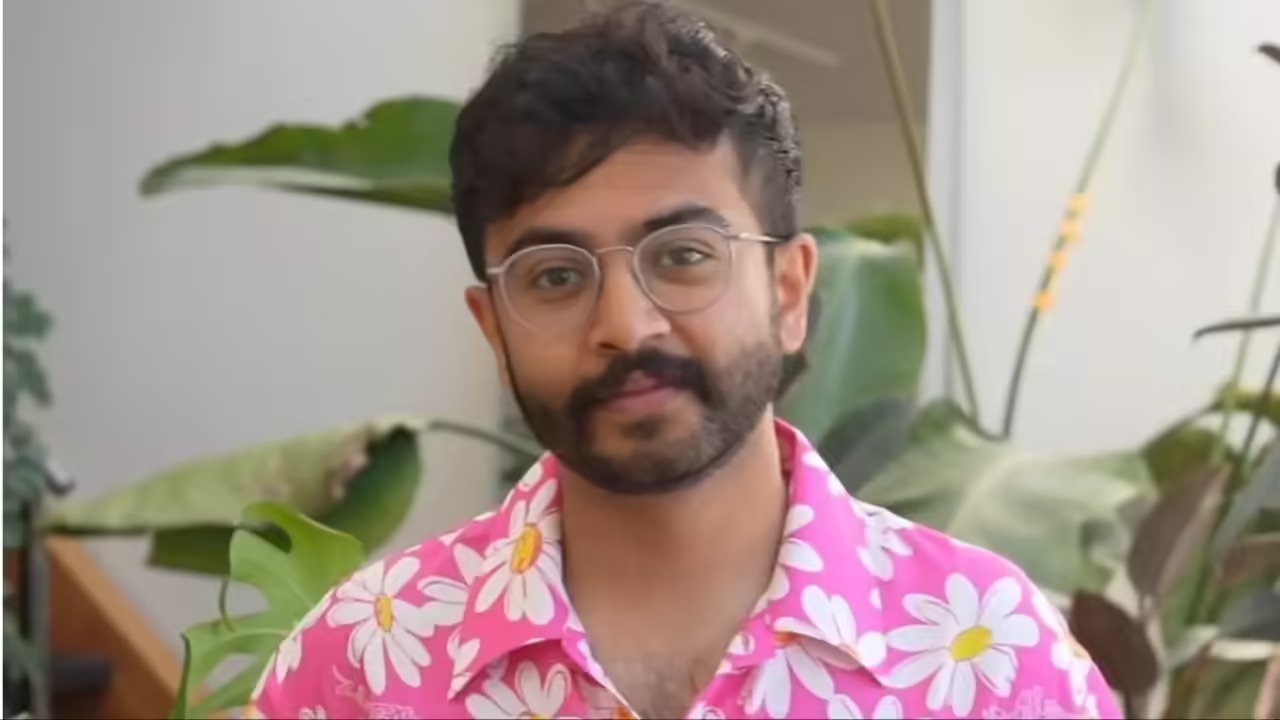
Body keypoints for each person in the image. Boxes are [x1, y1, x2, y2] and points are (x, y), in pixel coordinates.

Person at [247, 2, 1120, 718]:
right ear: (494, 326)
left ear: (788, 290)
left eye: (683, 257)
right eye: (556, 276)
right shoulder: (362, 663)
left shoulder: (994, 664)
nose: (626, 326)